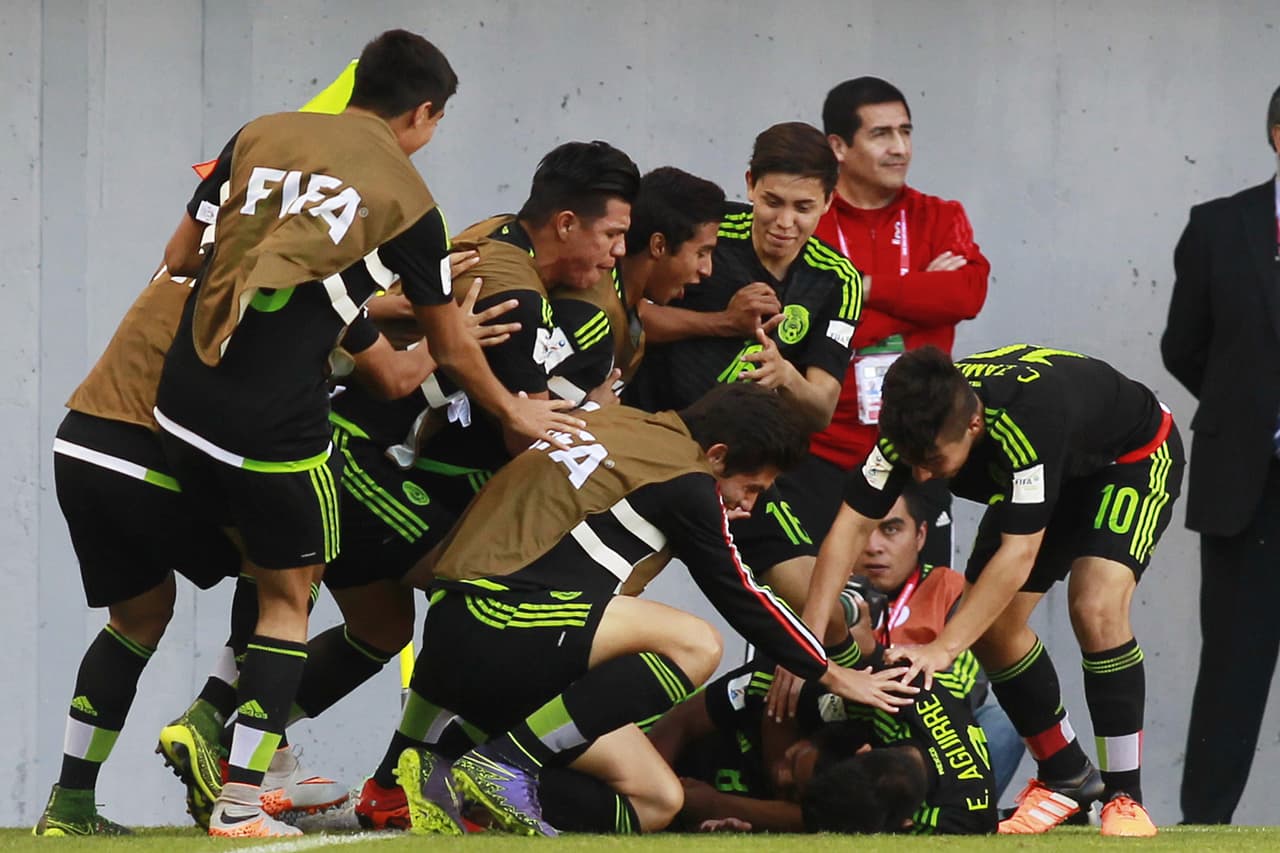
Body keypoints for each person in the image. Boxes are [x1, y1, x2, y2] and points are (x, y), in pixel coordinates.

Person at [151, 30, 581, 838]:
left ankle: (237, 733)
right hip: (271, 422)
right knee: (292, 593)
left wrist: (333, 297)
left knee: (273, 567)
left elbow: (180, 255)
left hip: (179, 404)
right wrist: (517, 409)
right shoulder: (409, 200)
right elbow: (451, 344)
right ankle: (242, 801)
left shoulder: (259, 132)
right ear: (422, 113)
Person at [393, 384, 916, 837]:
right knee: (696, 643)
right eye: (751, 489)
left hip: (462, 633)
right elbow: (742, 594)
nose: (749, 506)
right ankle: (506, 763)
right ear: (716, 455)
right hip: (494, 628)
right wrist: (831, 673)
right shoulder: (686, 481)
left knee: (658, 801)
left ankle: (438, 773)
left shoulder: (619, 419)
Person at [782, 344, 1183, 838]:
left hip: (1129, 459)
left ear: (973, 426)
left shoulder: (1027, 422)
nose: (923, 476)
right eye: (913, 462)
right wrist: (804, 644)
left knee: (1094, 606)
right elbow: (846, 531)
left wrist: (942, 648)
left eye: (932, 461)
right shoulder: (909, 428)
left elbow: (1019, 555)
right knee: (992, 627)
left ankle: (1125, 795)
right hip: (1045, 472)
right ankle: (1066, 775)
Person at [626, 122, 862, 636]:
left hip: (742, 468)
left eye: (803, 208)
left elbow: (820, 409)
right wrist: (722, 323)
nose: (784, 221)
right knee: (606, 592)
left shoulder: (838, 281)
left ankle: (839, 685)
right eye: (772, 201)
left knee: (818, 608)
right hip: (652, 439)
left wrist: (786, 377)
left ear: (829, 200)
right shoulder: (709, 230)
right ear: (750, 183)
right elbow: (626, 311)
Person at [783, 76, 989, 562]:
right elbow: (800, 329)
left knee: (917, 615)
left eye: (905, 132)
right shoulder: (811, 219)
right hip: (820, 451)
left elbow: (965, 293)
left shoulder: (939, 215)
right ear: (838, 146)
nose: (900, 148)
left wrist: (856, 288)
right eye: (881, 134)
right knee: (812, 609)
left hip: (917, 447)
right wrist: (919, 293)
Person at [1162, 83, 1280, 825]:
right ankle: (1204, 828)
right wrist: (1255, 408)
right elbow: (1184, 345)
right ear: (1277, 133)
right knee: (1232, 670)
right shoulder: (1219, 226)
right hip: (1249, 485)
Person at [644, 653, 995, 835]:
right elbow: (681, 721)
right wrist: (646, 793)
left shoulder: (957, 822)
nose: (780, 777)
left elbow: (817, 821)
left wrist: (712, 805)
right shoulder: (889, 691)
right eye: (793, 764)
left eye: (795, 794)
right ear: (861, 749)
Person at [850, 483, 1025, 798]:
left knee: (1006, 719)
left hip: (936, 735)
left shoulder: (953, 589)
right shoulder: (831, 594)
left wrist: (874, 660)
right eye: (863, 531)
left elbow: (968, 685)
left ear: (920, 536)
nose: (873, 546)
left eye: (890, 530)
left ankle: (960, 812)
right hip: (854, 731)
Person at [547, 166, 726, 403]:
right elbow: (529, 418)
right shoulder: (589, 318)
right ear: (658, 246)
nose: (707, 270)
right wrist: (592, 412)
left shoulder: (624, 306)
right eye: (701, 253)